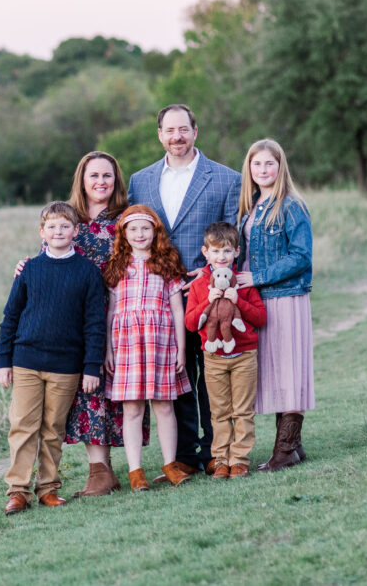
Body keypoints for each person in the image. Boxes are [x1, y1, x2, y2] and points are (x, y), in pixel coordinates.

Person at [13, 151, 149, 498]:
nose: (101, 182)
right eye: (94, 176)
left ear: (116, 180)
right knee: (88, 393)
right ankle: (99, 469)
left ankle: (126, 467)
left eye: (107, 175)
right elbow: (48, 260)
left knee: (118, 389)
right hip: (73, 321)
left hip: (120, 313)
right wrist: (25, 267)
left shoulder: (126, 219)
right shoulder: (69, 219)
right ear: (82, 180)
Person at [127, 104, 241, 478]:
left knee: (212, 376)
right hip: (159, 299)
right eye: (169, 130)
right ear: (160, 134)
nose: (177, 136)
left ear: (195, 131)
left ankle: (216, 451)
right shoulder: (140, 181)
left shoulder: (226, 179)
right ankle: (184, 456)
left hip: (209, 294)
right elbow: (127, 235)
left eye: (183, 129)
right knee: (175, 378)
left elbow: (235, 239)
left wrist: (210, 275)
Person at [0, 201, 107, 514]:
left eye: (64, 226)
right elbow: (10, 317)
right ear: (42, 232)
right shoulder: (30, 269)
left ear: (75, 231)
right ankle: (18, 491)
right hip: (26, 361)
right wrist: (4, 361)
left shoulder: (87, 272)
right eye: (52, 226)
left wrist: (91, 366)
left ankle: (48, 488)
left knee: (53, 429)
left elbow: (94, 324)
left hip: (66, 366)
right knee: (22, 426)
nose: (58, 231)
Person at [234, 139, 314, 472]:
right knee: (274, 369)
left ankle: (285, 450)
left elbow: (301, 256)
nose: (263, 170)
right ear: (249, 169)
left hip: (285, 296)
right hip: (259, 300)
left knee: (289, 368)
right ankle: (293, 446)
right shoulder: (250, 207)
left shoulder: (291, 206)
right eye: (257, 164)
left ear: (280, 167)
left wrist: (257, 277)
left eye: (270, 163)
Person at [102, 205, 192, 490]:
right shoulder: (117, 265)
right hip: (126, 344)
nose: (139, 234)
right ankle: (135, 471)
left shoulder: (166, 263)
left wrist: (181, 349)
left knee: (164, 406)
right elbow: (110, 312)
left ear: (156, 232)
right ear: (124, 233)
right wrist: (108, 350)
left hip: (160, 342)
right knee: (132, 409)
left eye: (145, 228)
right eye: (133, 229)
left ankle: (170, 464)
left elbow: (177, 310)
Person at [184, 222, 267, 479]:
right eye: (216, 251)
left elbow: (261, 318)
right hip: (213, 358)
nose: (222, 257)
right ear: (205, 252)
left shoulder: (243, 283)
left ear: (237, 252)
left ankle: (239, 459)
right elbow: (190, 324)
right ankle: (220, 459)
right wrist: (205, 303)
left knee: (242, 411)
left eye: (228, 251)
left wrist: (238, 300)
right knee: (219, 412)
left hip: (244, 356)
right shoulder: (199, 285)